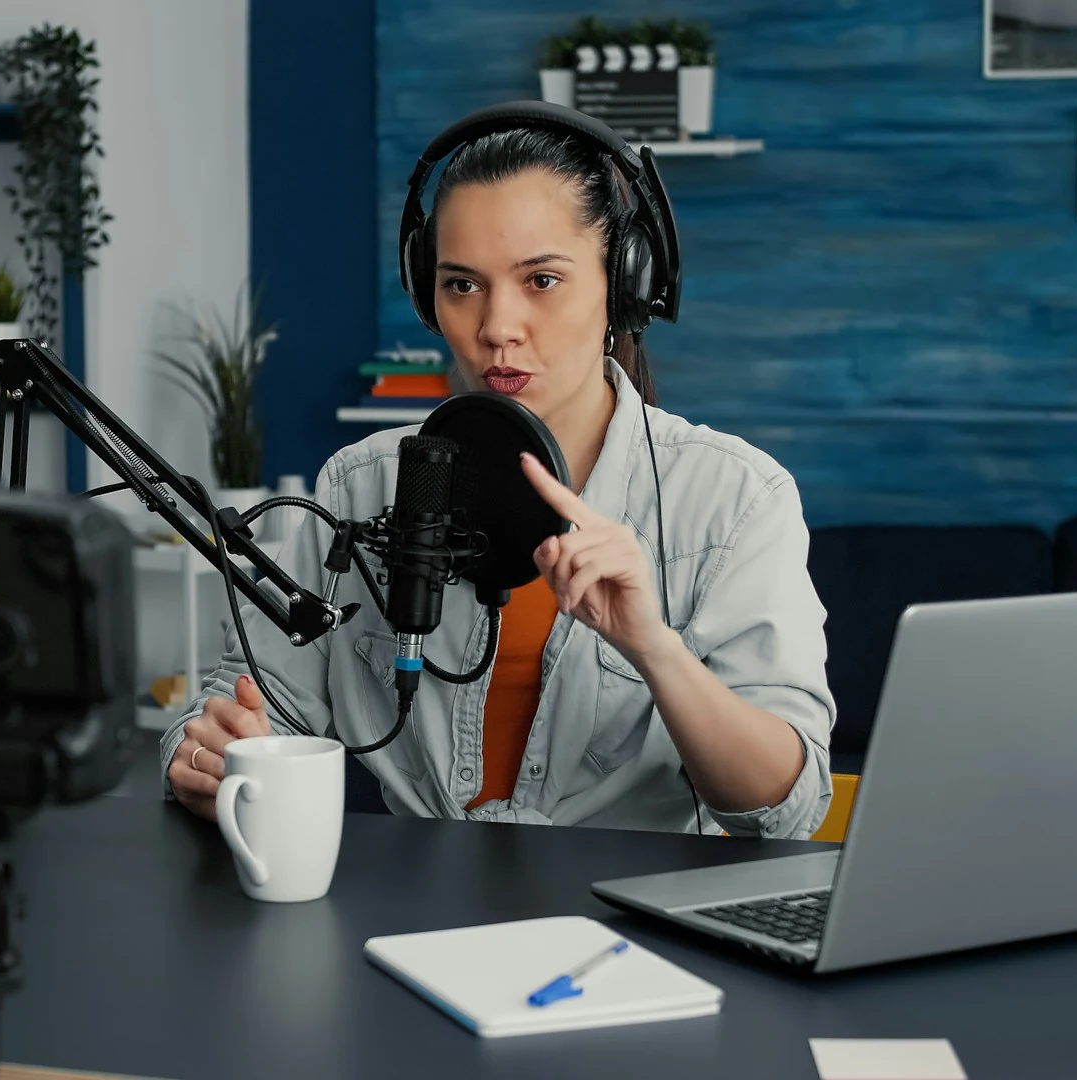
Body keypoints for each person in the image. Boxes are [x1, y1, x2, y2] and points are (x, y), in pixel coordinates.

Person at [161, 103, 835, 837]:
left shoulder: (735, 500)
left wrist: (655, 649)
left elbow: (787, 810)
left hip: (624, 904)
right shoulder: (361, 484)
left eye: (541, 280)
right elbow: (242, 705)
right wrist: (208, 753)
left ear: (625, 286)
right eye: (462, 284)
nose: (496, 328)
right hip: (413, 900)